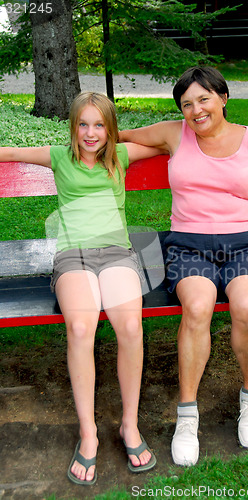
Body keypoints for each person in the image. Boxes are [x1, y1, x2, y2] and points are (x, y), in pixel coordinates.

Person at [119, 66, 248, 466]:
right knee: (197, 308)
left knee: (246, 306)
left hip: (246, 243)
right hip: (188, 245)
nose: (196, 110)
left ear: (223, 97)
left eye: (203, 99)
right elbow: (120, 136)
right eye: (186, 104)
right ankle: (187, 415)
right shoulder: (172, 134)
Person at [0, 91, 164, 484]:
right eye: (83, 124)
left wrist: (135, 133)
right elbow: (8, 153)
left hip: (118, 255)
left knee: (129, 327)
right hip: (72, 258)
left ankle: (129, 425)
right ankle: (87, 433)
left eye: (100, 125)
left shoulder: (121, 157)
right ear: (72, 126)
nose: (91, 133)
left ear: (111, 129)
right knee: (80, 327)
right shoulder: (58, 157)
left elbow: (168, 137)